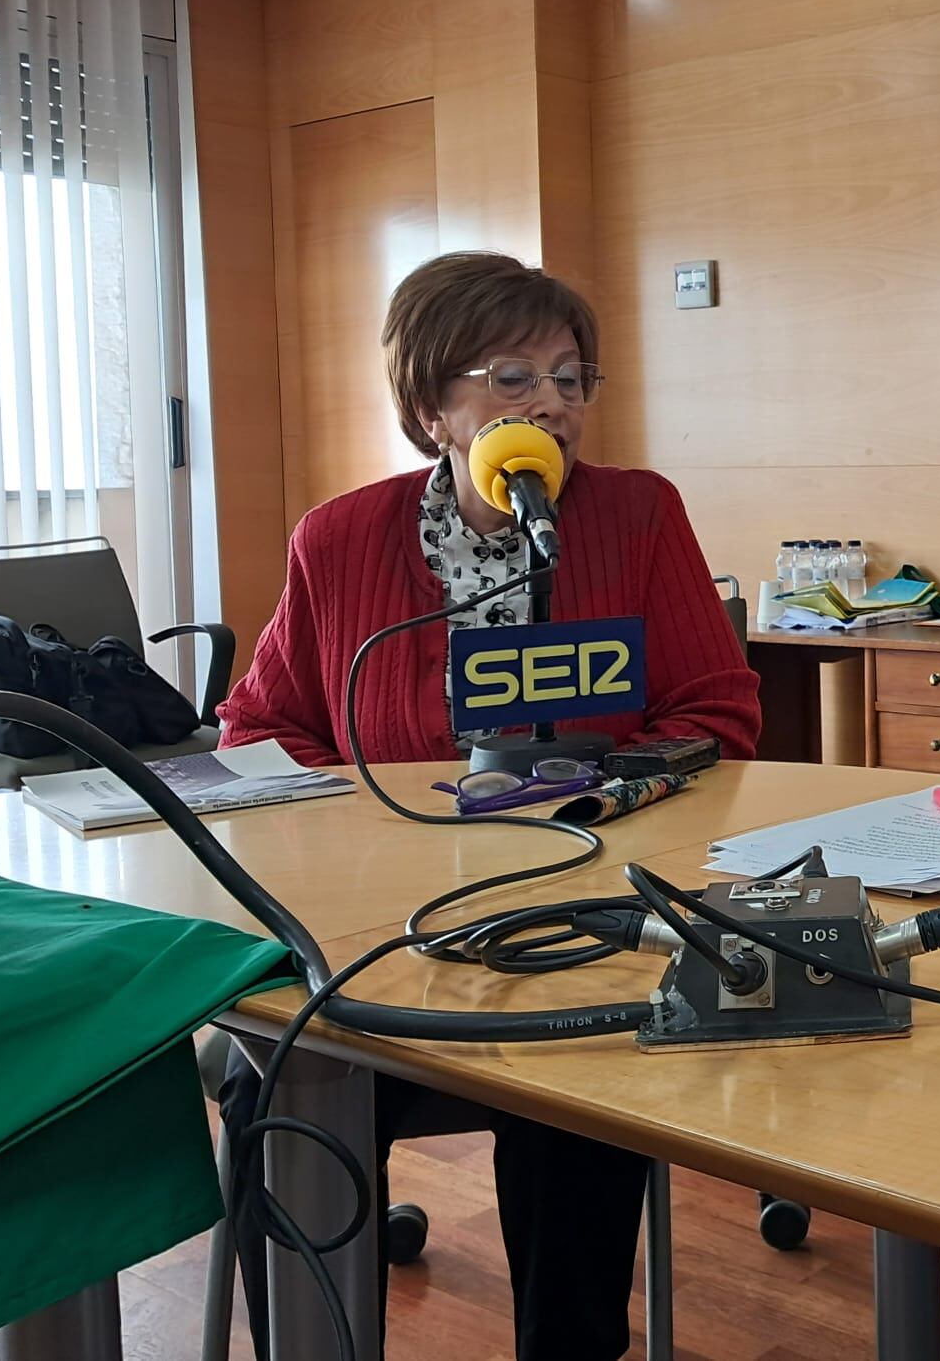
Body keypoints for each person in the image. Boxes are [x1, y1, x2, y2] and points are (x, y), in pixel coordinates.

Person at [216, 251, 761, 1361]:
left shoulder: (637, 514)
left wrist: (593, 795)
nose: (551, 404)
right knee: (272, 1082)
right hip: (380, 933)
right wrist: (382, 824)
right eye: (512, 377)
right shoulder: (337, 539)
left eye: (569, 377)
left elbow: (717, 712)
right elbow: (257, 731)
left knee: (583, 1088)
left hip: (575, 917)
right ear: (433, 407)